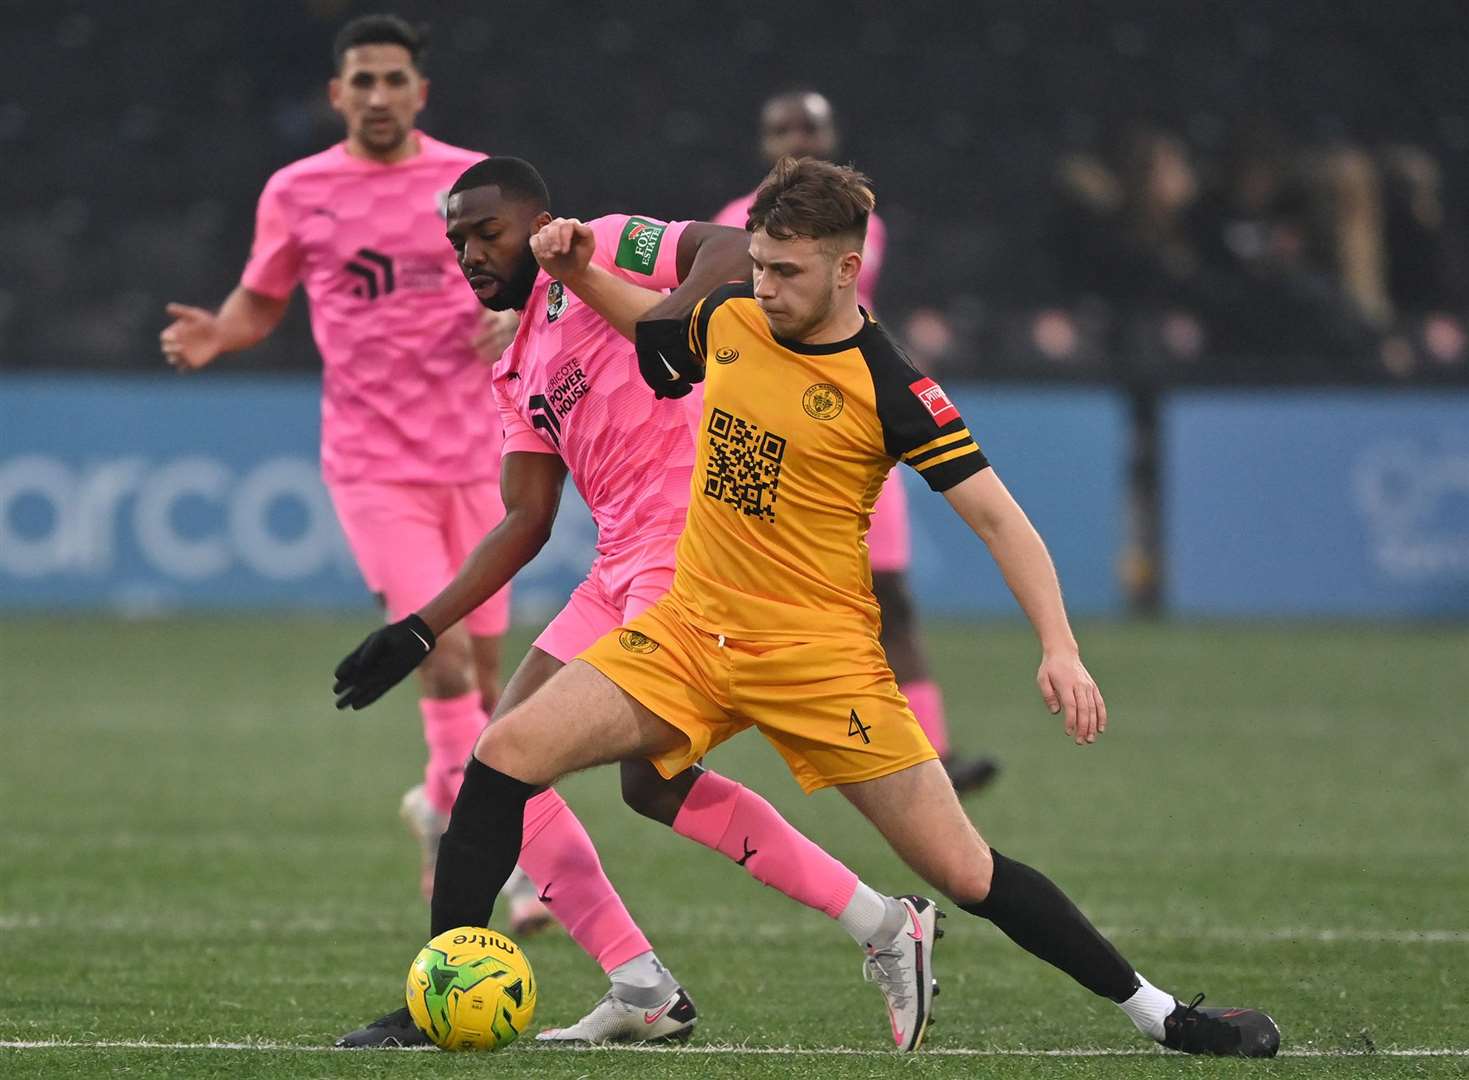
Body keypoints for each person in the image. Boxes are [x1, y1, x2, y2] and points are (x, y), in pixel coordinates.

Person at [353, 156, 1282, 1057]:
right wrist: (579, 273)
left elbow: (1001, 522)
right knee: (501, 754)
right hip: (686, 634)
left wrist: (1060, 648)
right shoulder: (734, 317)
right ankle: (438, 992)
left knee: (966, 872)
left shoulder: (892, 386)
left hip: (817, 659)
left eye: (786, 271)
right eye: (756, 264)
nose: (763, 286)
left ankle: (1162, 1015)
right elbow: (653, 330)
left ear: (847, 269)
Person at [332, 156, 947, 1050]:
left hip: (694, 554)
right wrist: (420, 626)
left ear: (536, 219)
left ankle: (871, 927)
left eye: (487, 232)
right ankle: (641, 983)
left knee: (599, 777)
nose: (469, 252)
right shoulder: (514, 366)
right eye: (456, 240)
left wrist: (662, 317)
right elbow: (527, 519)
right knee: (503, 769)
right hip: (614, 566)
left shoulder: (609, 244)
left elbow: (734, 248)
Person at [155, 14, 550, 927]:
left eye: (392, 80)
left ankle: (435, 802)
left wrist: (514, 315)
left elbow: (542, 286)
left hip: (481, 458)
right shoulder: (298, 191)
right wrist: (221, 331)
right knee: (439, 653)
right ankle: (499, 859)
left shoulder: (471, 183)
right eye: (361, 81)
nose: (377, 96)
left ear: (420, 91)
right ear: (336, 95)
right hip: (372, 464)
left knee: (488, 680)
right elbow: (262, 299)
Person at [715, 91, 997, 792]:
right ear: (762, 141)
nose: (796, 139)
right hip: (777, 428)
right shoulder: (731, 225)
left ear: (831, 134)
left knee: (890, 593)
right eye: (782, 129)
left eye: (808, 128)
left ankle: (932, 754)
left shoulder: (861, 222)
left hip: (857, 422)